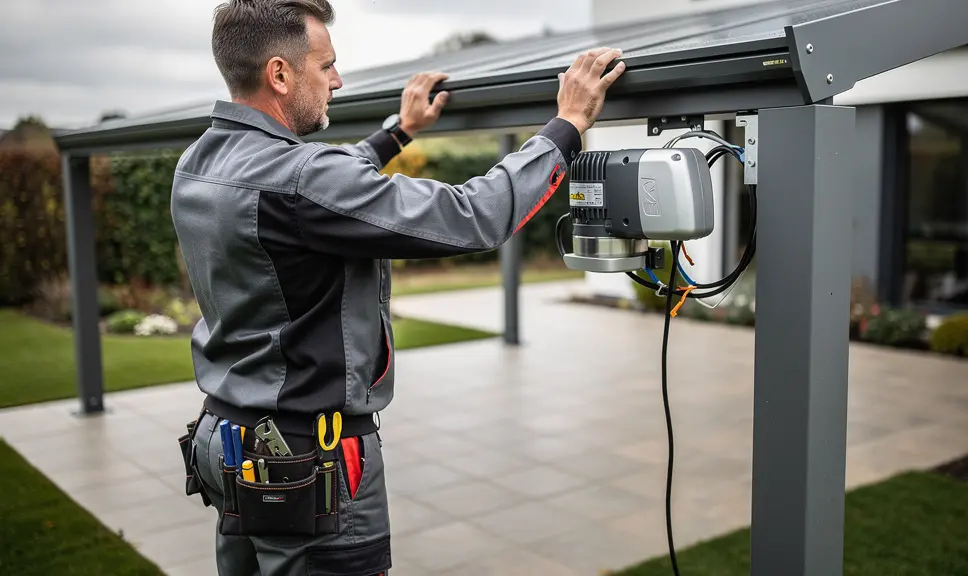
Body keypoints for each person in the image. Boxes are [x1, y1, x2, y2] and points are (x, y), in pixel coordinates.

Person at [170, 0, 626, 574]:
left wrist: (399, 132)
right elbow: (473, 216)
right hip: (306, 462)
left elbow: (321, 184)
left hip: (226, 440)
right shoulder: (300, 178)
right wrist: (566, 127)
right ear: (280, 75)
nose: (337, 81)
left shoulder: (200, 161)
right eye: (326, 65)